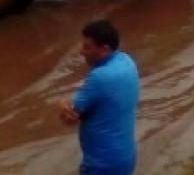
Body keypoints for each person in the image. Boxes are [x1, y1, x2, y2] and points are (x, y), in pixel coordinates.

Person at [60, 20, 140, 175]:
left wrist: (61, 104)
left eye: (87, 47)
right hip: (126, 158)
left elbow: (69, 116)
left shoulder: (99, 77)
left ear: (104, 49)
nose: (82, 52)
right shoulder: (126, 60)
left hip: (102, 165)